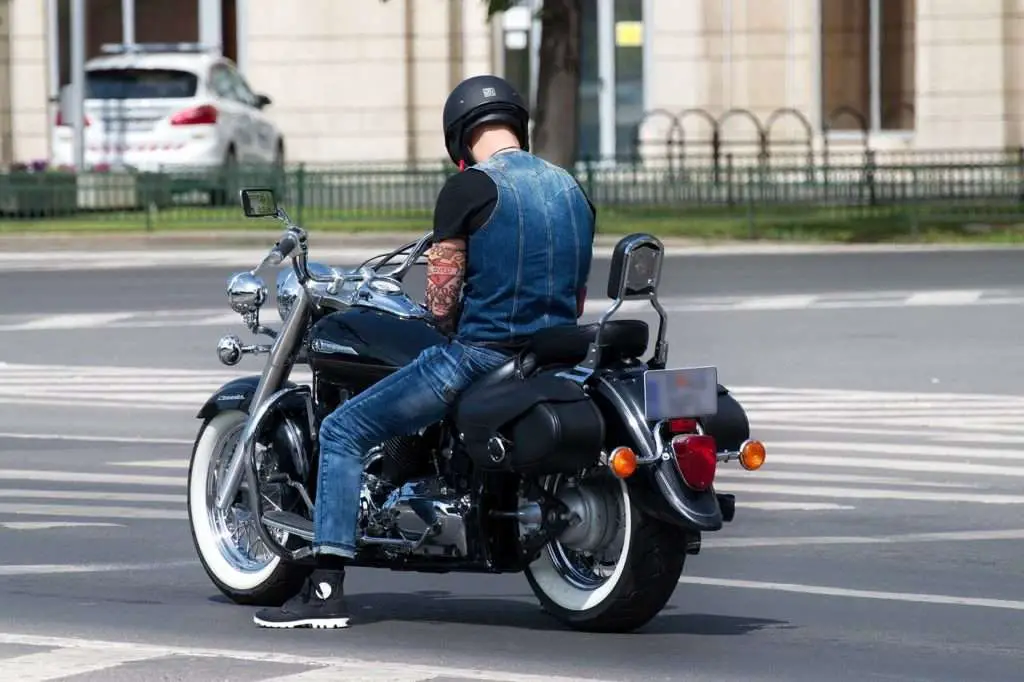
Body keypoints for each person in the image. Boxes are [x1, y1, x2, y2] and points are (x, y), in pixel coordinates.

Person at [253, 74, 596, 629]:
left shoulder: (470, 188)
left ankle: (322, 588)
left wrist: (447, 316)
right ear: (518, 126)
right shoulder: (571, 189)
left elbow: (440, 297)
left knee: (341, 430)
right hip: (557, 356)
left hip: (480, 357)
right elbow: (576, 290)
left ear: (459, 137)